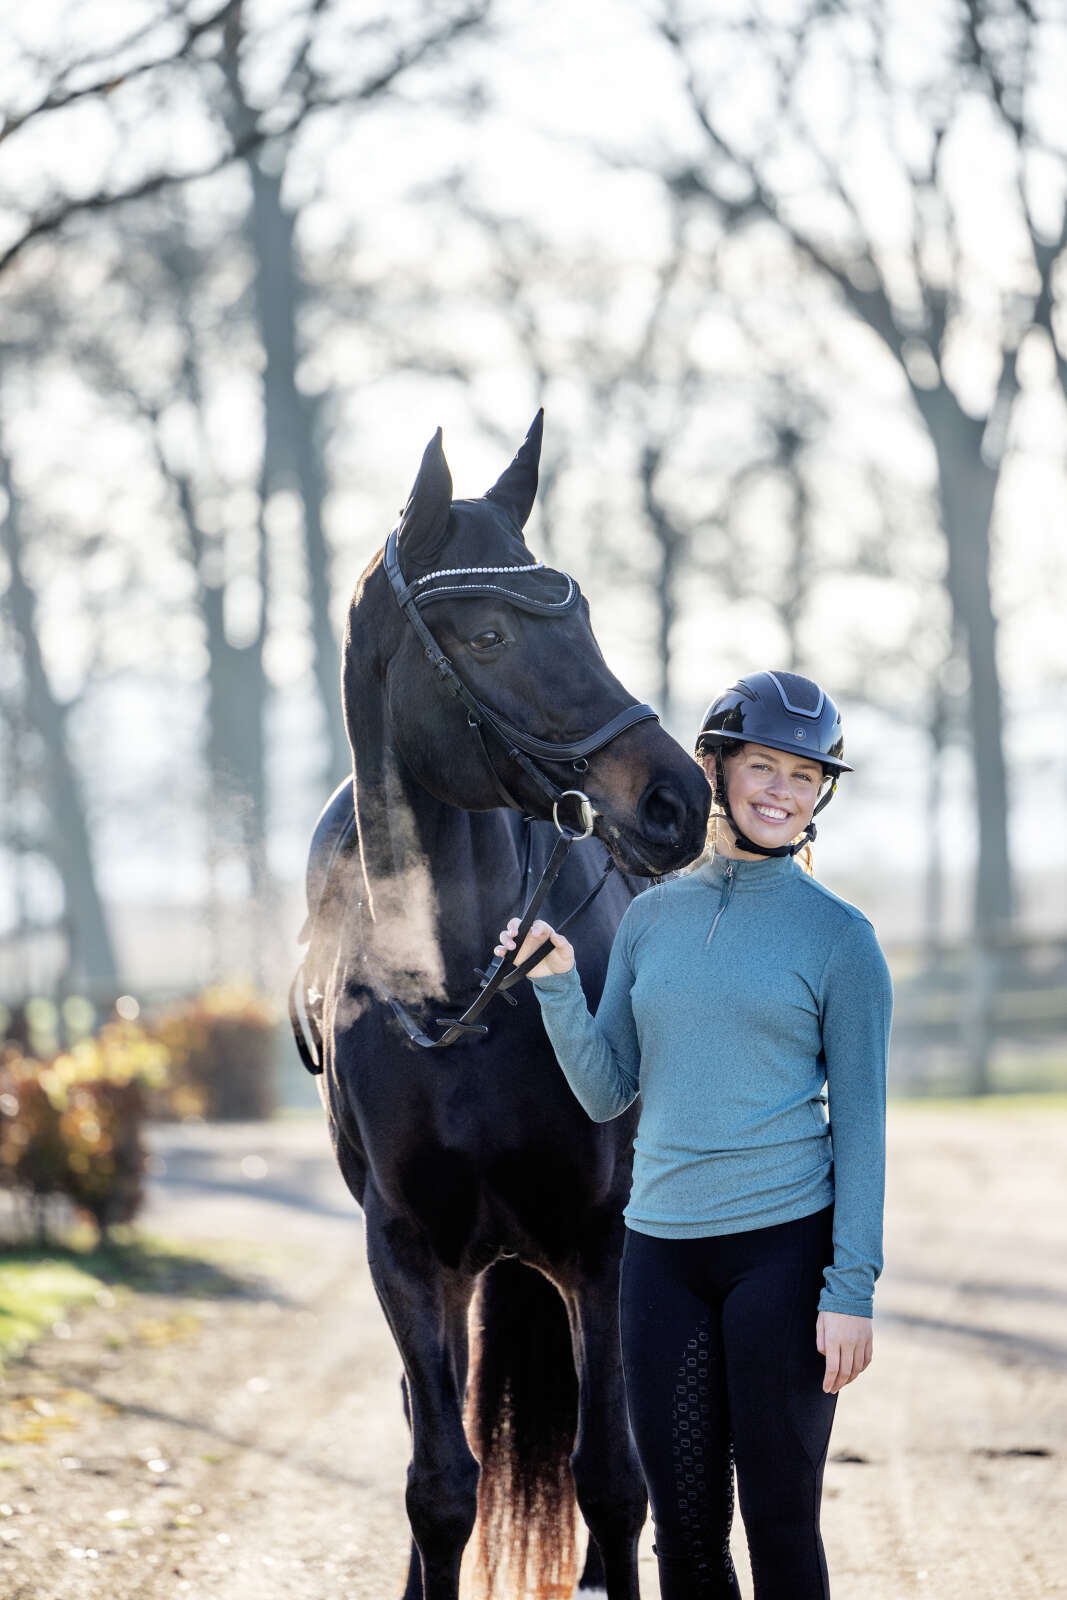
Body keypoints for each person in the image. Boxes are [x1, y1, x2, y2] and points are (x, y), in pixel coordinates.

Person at [496, 670, 893, 1600]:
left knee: (781, 1524)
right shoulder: (649, 917)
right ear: (714, 769)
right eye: (764, 766)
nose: (782, 793)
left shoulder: (840, 940)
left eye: (805, 777)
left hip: (782, 1259)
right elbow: (607, 1093)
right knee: (682, 1532)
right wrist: (556, 984)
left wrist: (851, 1290)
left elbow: (864, 1130)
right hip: (661, 1259)